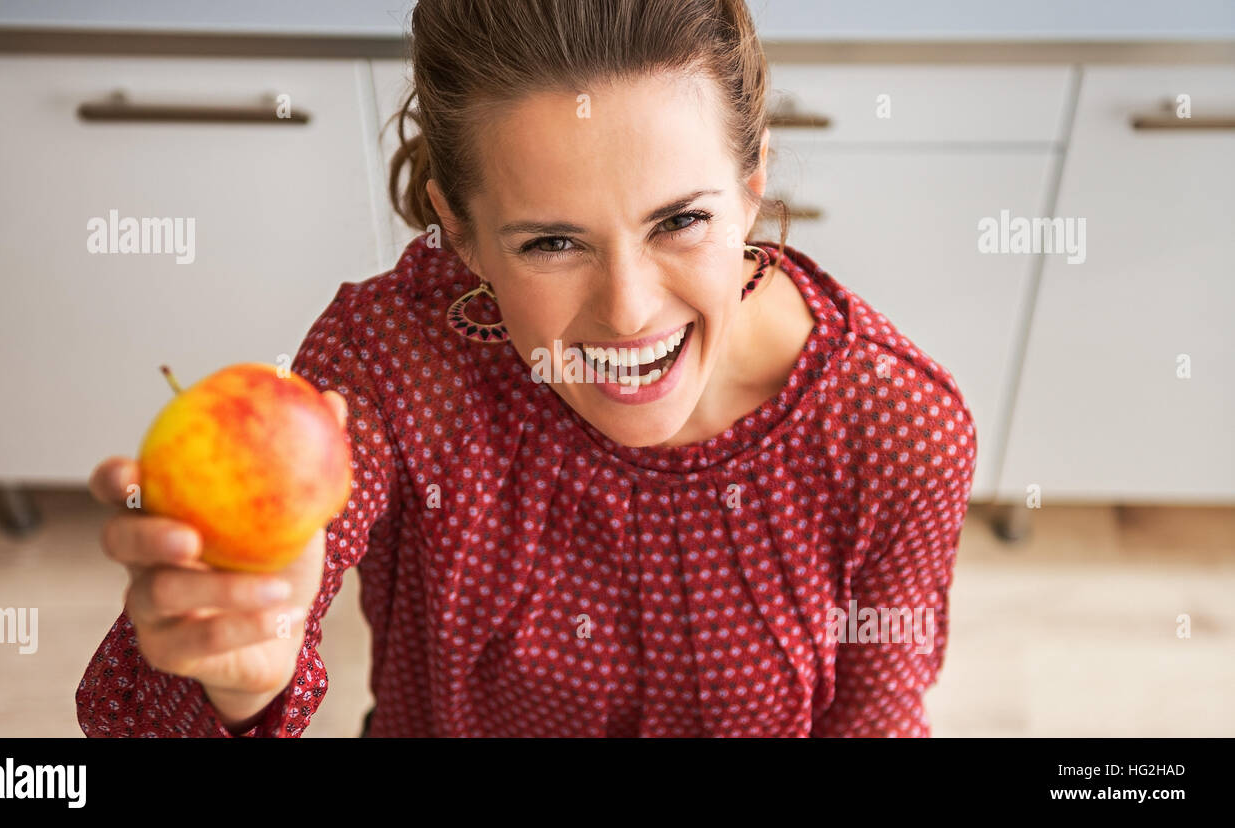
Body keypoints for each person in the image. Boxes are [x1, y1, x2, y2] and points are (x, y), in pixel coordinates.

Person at [77, 0, 977, 737]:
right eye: (552, 240)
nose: (628, 311)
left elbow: (877, 724)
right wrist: (236, 684)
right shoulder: (393, 366)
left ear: (752, 184)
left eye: (680, 221)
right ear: (460, 232)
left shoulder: (896, 425)